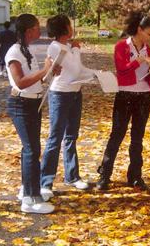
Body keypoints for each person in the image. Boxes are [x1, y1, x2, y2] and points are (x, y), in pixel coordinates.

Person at [96, 12, 150, 191]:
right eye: (149, 33)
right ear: (139, 30)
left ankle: (135, 176)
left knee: (137, 138)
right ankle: (105, 174)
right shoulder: (122, 46)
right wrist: (138, 61)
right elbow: (122, 71)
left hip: (143, 96)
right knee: (117, 135)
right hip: (124, 95)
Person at [5, 14, 56, 214]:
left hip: (34, 102)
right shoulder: (14, 52)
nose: (39, 30)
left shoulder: (28, 51)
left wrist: (50, 72)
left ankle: (28, 189)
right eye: (36, 27)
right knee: (31, 150)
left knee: (32, 149)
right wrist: (44, 70)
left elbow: (35, 80)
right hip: (21, 104)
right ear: (28, 31)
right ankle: (30, 199)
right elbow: (20, 82)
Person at [40, 14, 94, 199]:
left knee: (71, 136)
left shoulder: (68, 47)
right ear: (64, 29)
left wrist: (97, 74)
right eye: (69, 25)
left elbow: (79, 70)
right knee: (55, 138)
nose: (72, 28)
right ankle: (45, 181)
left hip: (75, 93)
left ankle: (72, 176)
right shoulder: (56, 47)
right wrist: (77, 49)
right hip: (60, 95)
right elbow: (75, 69)